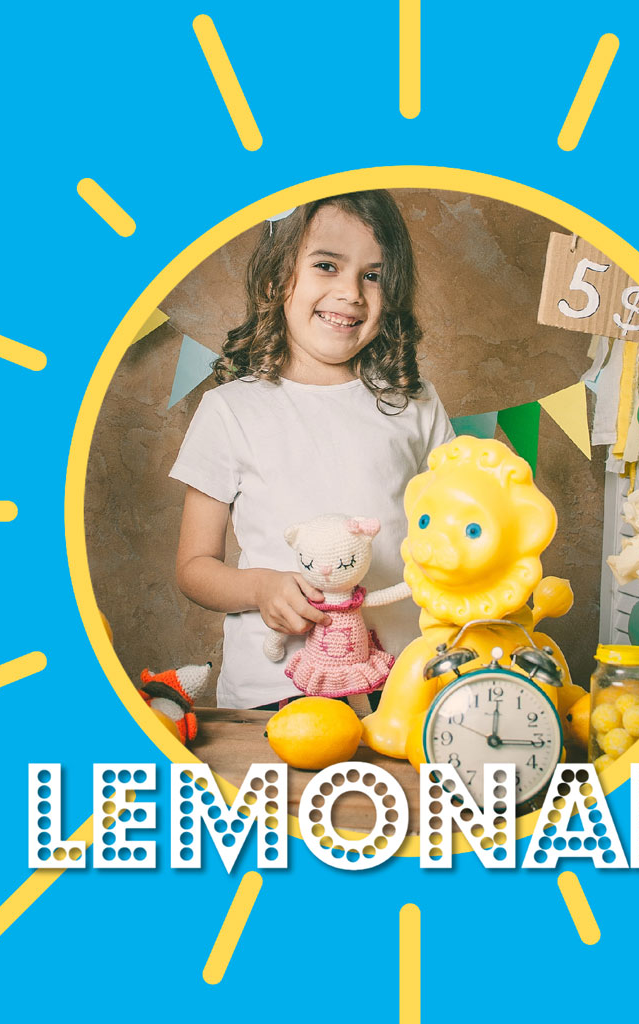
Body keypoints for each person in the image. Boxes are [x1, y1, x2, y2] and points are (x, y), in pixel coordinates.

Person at [170, 190, 455, 710]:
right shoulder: (230, 410)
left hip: (404, 684)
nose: (351, 293)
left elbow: (459, 531)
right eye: (327, 265)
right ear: (276, 279)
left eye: (373, 275)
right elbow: (194, 566)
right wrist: (260, 588)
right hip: (273, 689)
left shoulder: (416, 404)